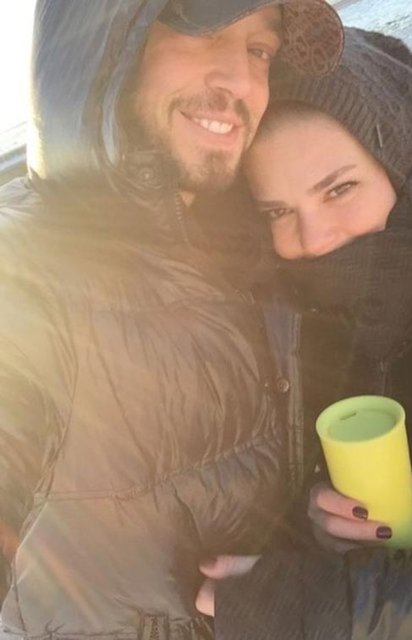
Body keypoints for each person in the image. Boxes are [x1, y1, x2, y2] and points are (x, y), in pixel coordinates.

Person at [0, 1, 344, 638]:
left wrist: (314, 515)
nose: (242, 81)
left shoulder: (251, 235)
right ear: (101, 47)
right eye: (201, 29)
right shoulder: (23, 273)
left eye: (260, 51)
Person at [195, 27, 412, 638]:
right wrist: (325, 522)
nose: (313, 241)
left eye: (339, 189)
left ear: (402, 167)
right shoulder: (305, 327)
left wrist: (327, 605)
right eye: (278, 211)